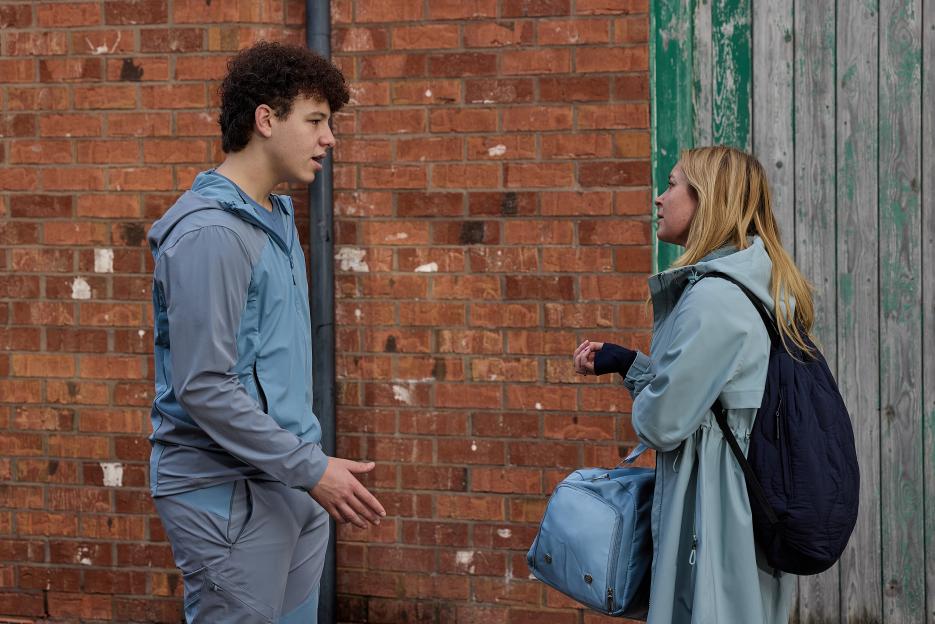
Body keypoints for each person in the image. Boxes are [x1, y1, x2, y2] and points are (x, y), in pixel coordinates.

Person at [147, 41, 385, 623]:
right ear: (266, 119)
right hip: (227, 495)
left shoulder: (275, 218)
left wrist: (306, 469)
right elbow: (203, 385)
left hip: (291, 481)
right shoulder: (211, 234)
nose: (329, 138)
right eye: (316, 121)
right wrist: (310, 469)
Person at [573, 145, 810, 623]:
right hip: (746, 510)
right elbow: (708, 397)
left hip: (713, 515)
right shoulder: (762, 285)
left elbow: (663, 423)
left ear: (709, 200)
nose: (660, 198)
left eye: (673, 184)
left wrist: (643, 387)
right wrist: (631, 364)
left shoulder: (715, 297)